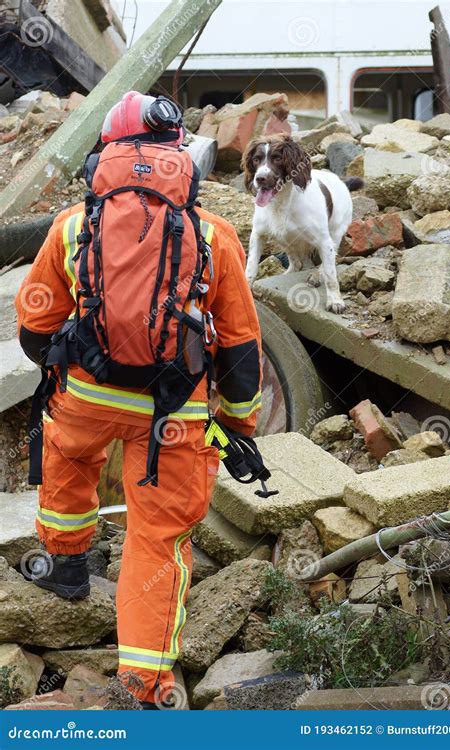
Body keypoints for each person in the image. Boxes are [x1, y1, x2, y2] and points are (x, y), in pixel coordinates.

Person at [16, 91, 262, 708]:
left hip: (87, 397)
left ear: (107, 152)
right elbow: (239, 350)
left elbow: (33, 324)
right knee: (156, 540)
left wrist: (72, 367)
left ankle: (66, 565)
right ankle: (145, 684)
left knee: (69, 457)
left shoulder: (73, 224)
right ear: (183, 158)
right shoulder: (215, 235)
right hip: (175, 416)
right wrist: (235, 427)